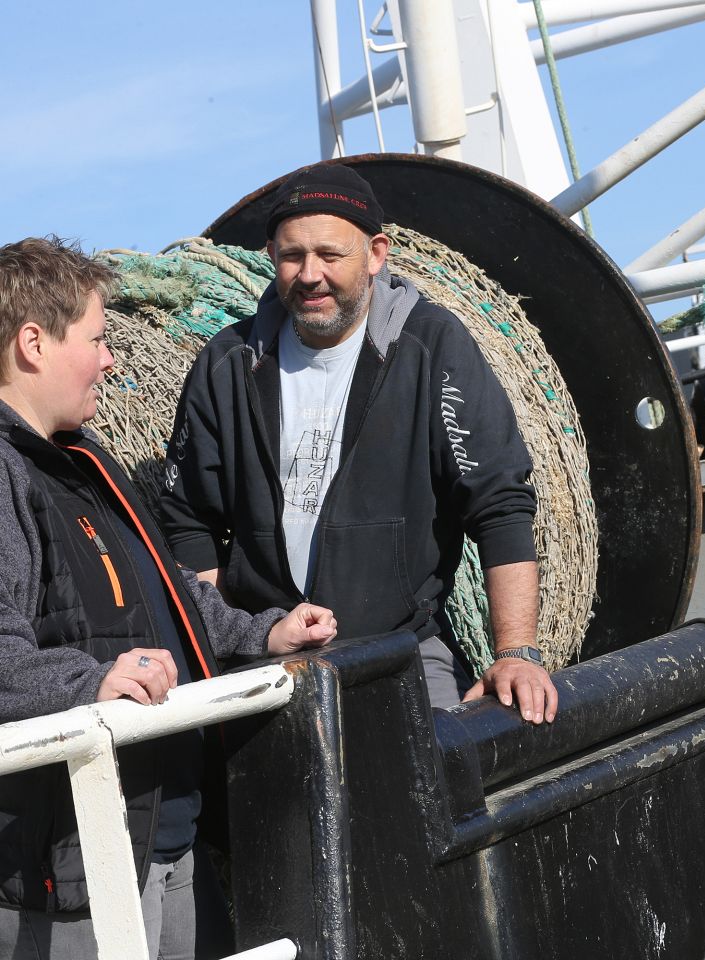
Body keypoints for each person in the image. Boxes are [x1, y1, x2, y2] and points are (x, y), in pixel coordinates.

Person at [0, 236, 338, 960]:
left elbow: (163, 586)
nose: (111, 359)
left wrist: (262, 634)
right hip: (69, 871)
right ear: (33, 342)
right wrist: (90, 686)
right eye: (96, 339)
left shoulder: (82, 461)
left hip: (161, 836)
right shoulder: (5, 475)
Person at [161, 163, 558, 723]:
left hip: (404, 655)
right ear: (271, 254)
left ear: (375, 254)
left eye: (330, 254)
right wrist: (234, 641)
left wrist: (516, 653)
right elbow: (189, 522)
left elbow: (498, 502)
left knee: (440, 797)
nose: (309, 274)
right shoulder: (228, 364)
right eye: (292, 255)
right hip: (265, 669)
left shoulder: (430, 346)